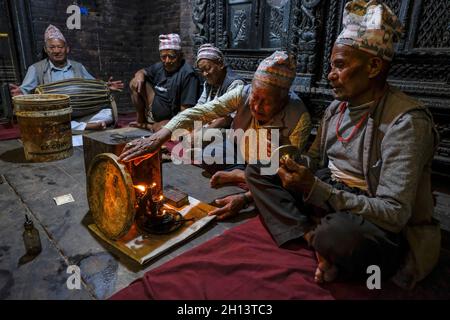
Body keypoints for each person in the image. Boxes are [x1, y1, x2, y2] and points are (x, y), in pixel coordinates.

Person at [245, 0, 440, 289]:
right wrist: (295, 165)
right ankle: (314, 238)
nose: (330, 75)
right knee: (259, 168)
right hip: (329, 193)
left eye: (339, 65)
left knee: (339, 234)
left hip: (374, 219)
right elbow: (315, 160)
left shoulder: (405, 122)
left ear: (373, 65)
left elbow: (394, 214)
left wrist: (316, 190)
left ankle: (322, 239)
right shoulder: (337, 109)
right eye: (331, 66)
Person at [119, 51, 312, 221]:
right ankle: (243, 173)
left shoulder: (299, 118)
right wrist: (158, 137)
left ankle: (242, 174)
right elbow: (198, 112)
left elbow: (289, 176)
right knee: (206, 155)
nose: (256, 107)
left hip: (267, 167)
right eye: (255, 97)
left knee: (282, 181)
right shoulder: (242, 92)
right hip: (238, 147)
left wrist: (245, 198)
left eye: (266, 102)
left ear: (282, 98)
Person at [9, 24, 124, 130]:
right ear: (46, 49)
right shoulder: (36, 69)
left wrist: (106, 86)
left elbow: (94, 85)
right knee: (44, 120)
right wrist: (20, 93)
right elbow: (24, 92)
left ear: (67, 49)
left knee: (109, 112)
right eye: (52, 47)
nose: (56, 51)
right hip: (55, 116)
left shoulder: (78, 67)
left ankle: (77, 126)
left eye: (60, 47)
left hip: (80, 114)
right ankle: (87, 126)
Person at [129, 33, 201, 132]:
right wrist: (139, 76)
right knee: (135, 82)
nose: (167, 61)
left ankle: (149, 126)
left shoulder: (188, 74)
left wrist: (171, 123)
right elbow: (142, 71)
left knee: (165, 129)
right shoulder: (160, 66)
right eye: (163, 57)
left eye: (171, 57)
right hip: (152, 106)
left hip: (171, 117)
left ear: (180, 55)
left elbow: (185, 112)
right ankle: (141, 120)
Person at [196, 43, 244, 129]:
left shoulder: (235, 83)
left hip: (229, 130)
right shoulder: (208, 83)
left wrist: (203, 132)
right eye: (201, 70)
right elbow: (200, 107)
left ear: (220, 64)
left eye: (207, 69)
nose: (204, 74)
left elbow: (227, 119)